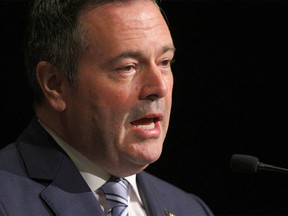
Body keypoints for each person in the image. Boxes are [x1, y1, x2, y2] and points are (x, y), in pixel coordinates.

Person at [0, 0, 214, 215]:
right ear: (55, 84)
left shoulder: (191, 209)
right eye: (127, 67)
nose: (159, 87)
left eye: (165, 62)